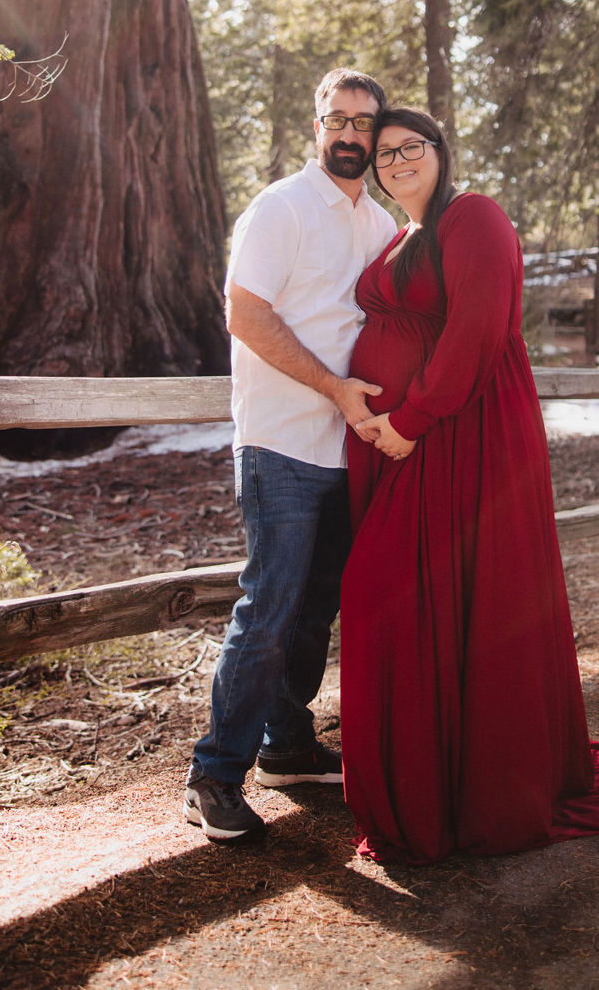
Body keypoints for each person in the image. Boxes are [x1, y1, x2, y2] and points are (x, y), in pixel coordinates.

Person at [341, 108, 599, 863]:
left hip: (460, 434)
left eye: (411, 146)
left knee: (399, 591)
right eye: (385, 152)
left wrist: (408, 417)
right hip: (412, 439)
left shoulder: (474, 216)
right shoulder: (403, 236)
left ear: (441, 152)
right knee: (412, 596)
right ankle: (433, 779)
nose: (397, 159)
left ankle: (470, 789)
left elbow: (477, 330)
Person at [184, 69, 398, 842]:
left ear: (378, 133)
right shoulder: (280, 208)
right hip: (281, 440)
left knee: (316, 610)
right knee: (270, 607)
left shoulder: (379, 224)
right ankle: (213, 774)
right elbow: (246, 314)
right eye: (336, 119)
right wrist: (335, 387)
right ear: (316, 126)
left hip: (350, 449)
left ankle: (287, 744)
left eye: (363, 123)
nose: (349, 134)